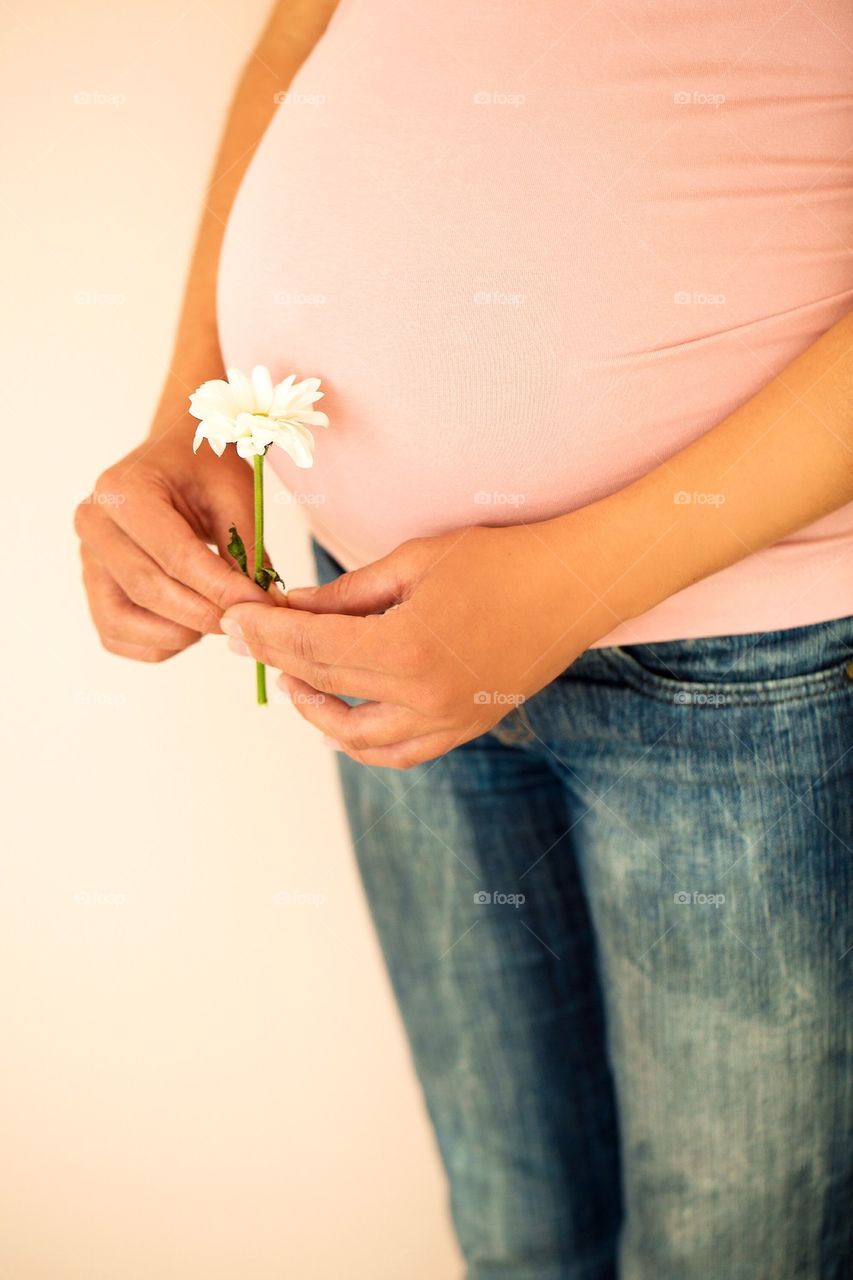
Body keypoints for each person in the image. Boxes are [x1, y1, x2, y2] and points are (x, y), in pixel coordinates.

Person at [75, 2, 853, 1276]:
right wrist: (204, 415)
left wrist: (568, 584)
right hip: (379, 627)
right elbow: (302, 39)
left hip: (750, 675)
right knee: (513, 1228)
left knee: (733, 1256)